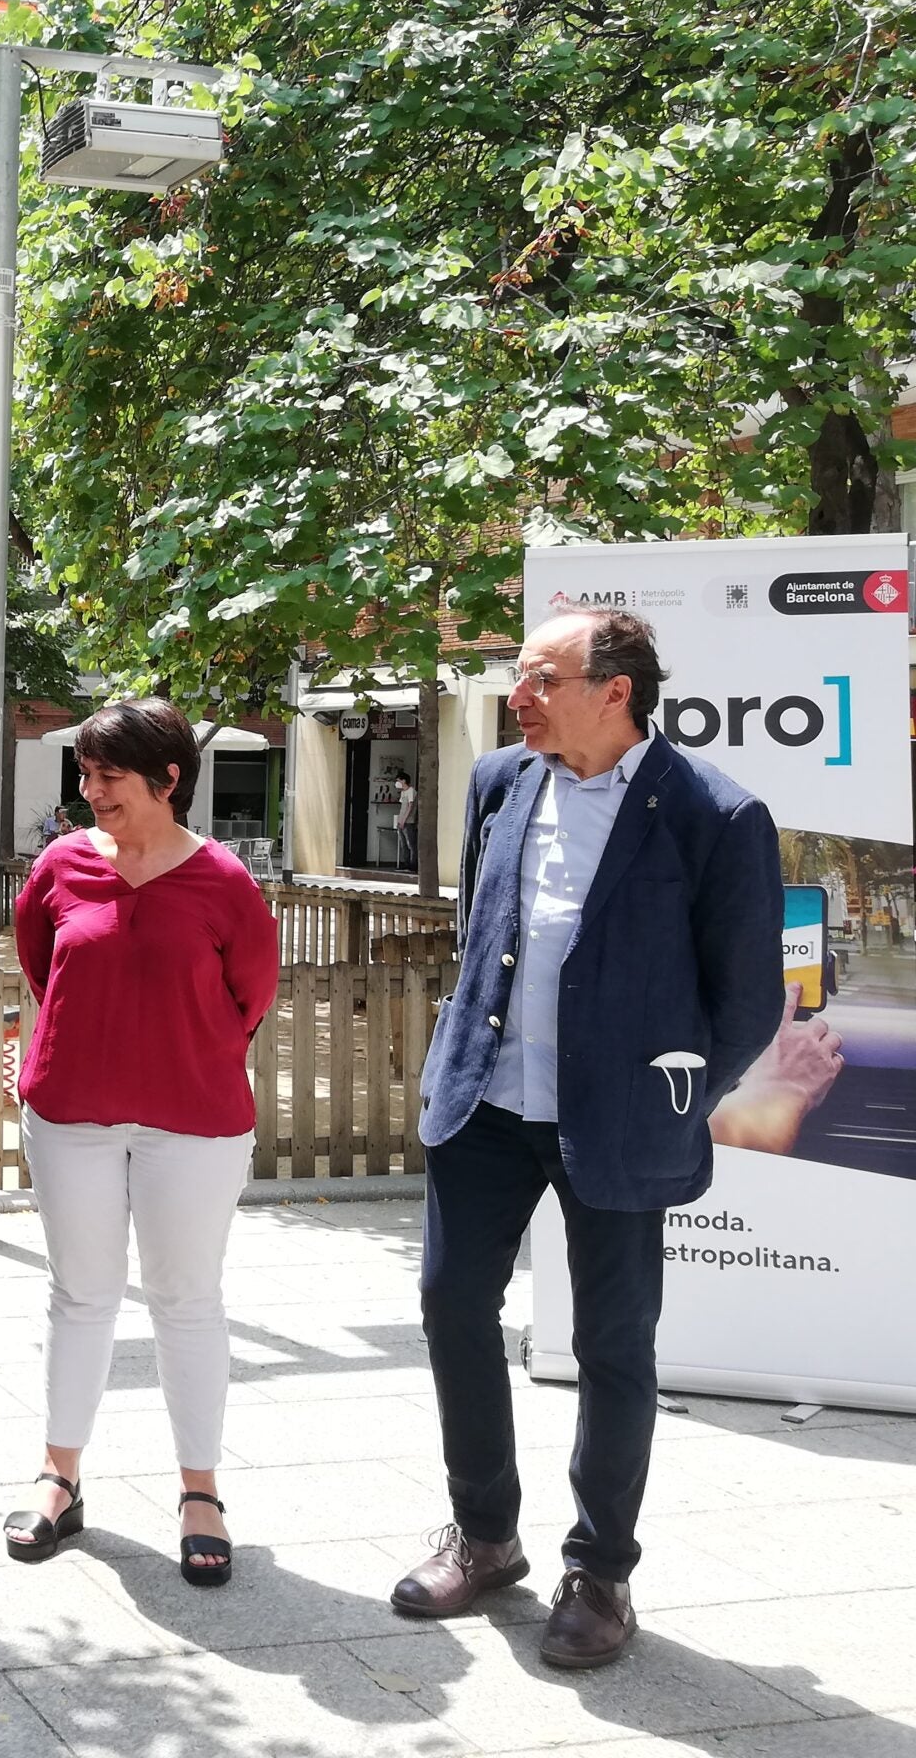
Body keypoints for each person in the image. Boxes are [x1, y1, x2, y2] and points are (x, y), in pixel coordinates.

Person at [393, 604, 782, 1669]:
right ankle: (484, 1536)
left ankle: (599, 1572)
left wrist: (673, 1097)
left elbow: (746, 1000)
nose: (517, 697)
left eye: (538, 679)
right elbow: (487, 934)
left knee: (615, 1346)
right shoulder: (499, 784)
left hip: (619, 1123)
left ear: (616, 690)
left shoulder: (714, 811)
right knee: (448, 1304)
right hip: (483, 1102)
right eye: (517, 680)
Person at [1, 698, 280, 1587]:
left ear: (168, 780)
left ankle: (201, 1494)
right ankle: (60, 1477)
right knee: (79, 1296)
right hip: (70, 1117)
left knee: (186, 1300)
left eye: (107, 776)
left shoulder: (225, 882)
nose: (89, 792)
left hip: (193, 1123)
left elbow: (251, 997)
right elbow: (44, 966)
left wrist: (172, 1052)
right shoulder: (59, 865)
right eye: (83, 774)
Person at [392, 771, 417, 870]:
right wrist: (399, 820)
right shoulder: (403, 792)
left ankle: (413, 864)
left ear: (404, 780)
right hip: (401, 821)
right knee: (403, 844)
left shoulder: (411, 791)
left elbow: (410, 807)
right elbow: (402, 807)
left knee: (411, 844)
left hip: (408, 821)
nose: (397, 782)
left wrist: (404, 820)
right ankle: (406, 863)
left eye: (398, 780)